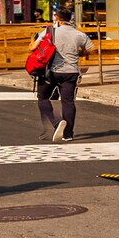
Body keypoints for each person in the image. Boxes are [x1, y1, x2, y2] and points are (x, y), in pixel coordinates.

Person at [37, 9, 92, 142]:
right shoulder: (79, 34)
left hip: (52, 71)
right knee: (68, 101)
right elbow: (91, 48)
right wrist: (79, 54)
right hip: (71, 72)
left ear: (57, 19)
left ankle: (57, 123)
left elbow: (34, 47)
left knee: (42, 98)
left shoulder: (50, 32)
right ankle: (68, 134)